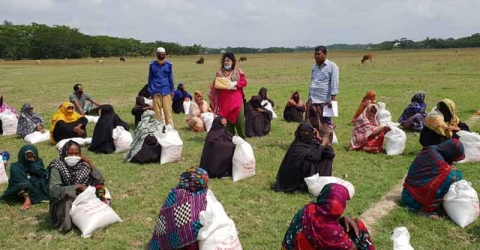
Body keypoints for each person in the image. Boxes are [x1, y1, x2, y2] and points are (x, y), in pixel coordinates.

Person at [282, 183, 375, 250]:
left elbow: (321, 221)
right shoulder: (332, 231)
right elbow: (352, 248)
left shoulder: (308, 209)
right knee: (358, 226)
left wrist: (340, 220)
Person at [48, 140, 107, 232]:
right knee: (67, 201)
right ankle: (66, 226)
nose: (73, 157)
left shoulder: (83, 166)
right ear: (64, 153)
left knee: (102, 191)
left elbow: (99, 181)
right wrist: (77, 187)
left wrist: (90, 163)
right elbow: (54, 191)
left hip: (81, 197)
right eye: (70, 154)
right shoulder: (57, 166)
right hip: (63, 201)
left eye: (76, 154)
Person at [147, 167, 209, 250]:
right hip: (187, 235)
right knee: (191, 229)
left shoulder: (174, 193)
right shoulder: (199, 197)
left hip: (165, 233)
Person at [402, 139, 464, 219]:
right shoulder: (436, 159)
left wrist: (449, 166)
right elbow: (447, 173)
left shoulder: (431, 150)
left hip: (407, 192)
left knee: (453, 174)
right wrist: (450, 170)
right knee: (454, 176)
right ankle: (425, 209)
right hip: (413, 199)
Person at [272, 122, 334, 193]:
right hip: (294, 181)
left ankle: (321, 182)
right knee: (309, 160)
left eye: (307, 133)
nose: (303, 135)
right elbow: (314, 157)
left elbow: (331, 154)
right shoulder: (297, 147)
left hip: (306, 176)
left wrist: (319, 139)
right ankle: (308, 185)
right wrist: (322, 145)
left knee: (326, 157)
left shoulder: (311, 142)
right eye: (302, 133)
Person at [208, 52, 247, 138]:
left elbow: (244, 82)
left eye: (228, 61)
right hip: (225, 103)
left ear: (232, 62)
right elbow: (215, 87)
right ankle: (230, 142)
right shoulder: (219, 74)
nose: (226, 62)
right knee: (228, 125)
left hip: (237, 101)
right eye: (225, 61)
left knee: (240, 122)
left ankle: (242, 141)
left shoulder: (238, 72)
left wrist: (236, 83)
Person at [1, 145, 49, 211]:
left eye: (33, 157)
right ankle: (27, 199)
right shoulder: (15, 167)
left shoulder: (38, 162)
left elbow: (43, 175)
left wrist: (35, 168)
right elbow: (19, 181)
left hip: (34, 185)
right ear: (23, 156)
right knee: (23, 184)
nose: (31, 159)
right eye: (29, 157)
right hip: (19, 190)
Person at [307, 46, 339, 135]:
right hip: (312, 98)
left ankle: (327, 142)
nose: (316, 56)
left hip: (324, 99)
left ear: (325, 54)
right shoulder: (314, 67)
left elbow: (334, 83)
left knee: (325, 123)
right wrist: (309, 98)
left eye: (318, 54)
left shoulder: (332, 66)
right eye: (315, 54)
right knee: (312, 122)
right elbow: (312, 82)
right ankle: (315, 139)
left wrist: (333, 99)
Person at [148, 47, 175, 126]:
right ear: (156, 54)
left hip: (166, 91)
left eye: (162, 54)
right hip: (156, 91)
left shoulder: (169, 65)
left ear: (165, 54)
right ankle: (159, 129)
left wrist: (172, 90)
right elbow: (150, 78)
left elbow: (171, 77)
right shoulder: (152, 65)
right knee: (157, 113)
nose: (161, 55)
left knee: (168, 112)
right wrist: (151, 91)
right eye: (159, 54)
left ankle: (170, 129)